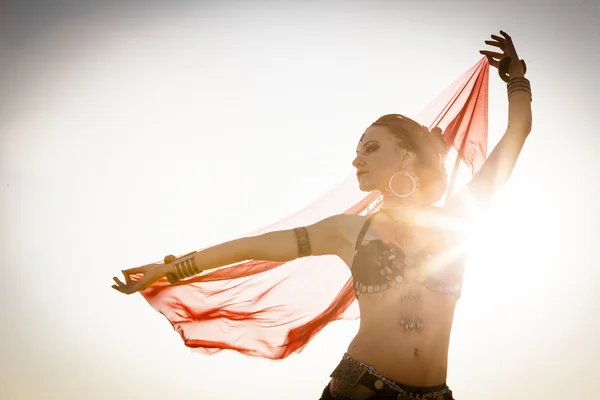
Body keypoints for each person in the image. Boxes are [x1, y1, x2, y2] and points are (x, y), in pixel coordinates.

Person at [112, 31, 532, 400]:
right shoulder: (347, 230)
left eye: (371, 148)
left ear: (405, 153)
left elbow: (516, 135)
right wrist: (170, 271)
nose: (356, 161)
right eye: (356, 151)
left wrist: (516, 79)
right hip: (361, 390)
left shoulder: (458, 220)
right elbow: (249, 248)